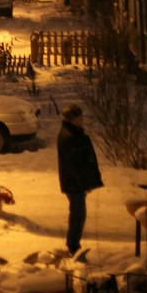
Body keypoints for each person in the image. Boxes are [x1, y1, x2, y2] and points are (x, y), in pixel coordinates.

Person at [56, 105, 103, 257]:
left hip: (74, 182)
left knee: (78, 213)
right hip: (75, 184)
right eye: (80, 118)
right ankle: (73, 245)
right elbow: (75, 164)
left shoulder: (71, 134)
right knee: (78, 214)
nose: (82, 120)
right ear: (73, 119)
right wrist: (85, 184)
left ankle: (74, 244)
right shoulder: (70, 137)